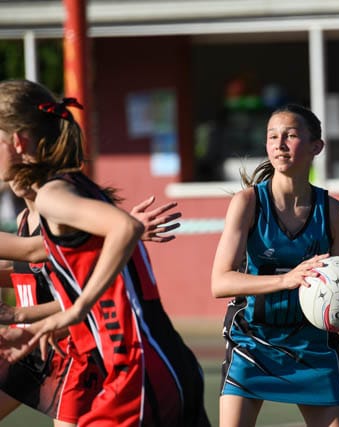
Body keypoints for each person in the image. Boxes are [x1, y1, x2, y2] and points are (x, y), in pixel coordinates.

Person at [0, 79, 210, 427]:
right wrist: (41, 320)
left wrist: (76, 310)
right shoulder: (72, 189)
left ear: (19, 142)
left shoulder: (54, 196)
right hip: (155, 360)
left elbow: (125, 228)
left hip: (138, 368)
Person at [210, 104, 339, 427]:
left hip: (312, 347)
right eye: (272, 136)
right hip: (252, 343)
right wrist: (286, 280)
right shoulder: (248, 203)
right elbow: (220, 282)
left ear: (316, 146)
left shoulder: (336, 214)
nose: (279, 144)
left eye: (290, 135)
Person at [0, 192, 181, 426]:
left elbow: (78, 289)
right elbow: (26, 270)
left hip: (65, 346)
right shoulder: (24, 218)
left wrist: (120, 231)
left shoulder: (60, 218)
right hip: (27, 345)